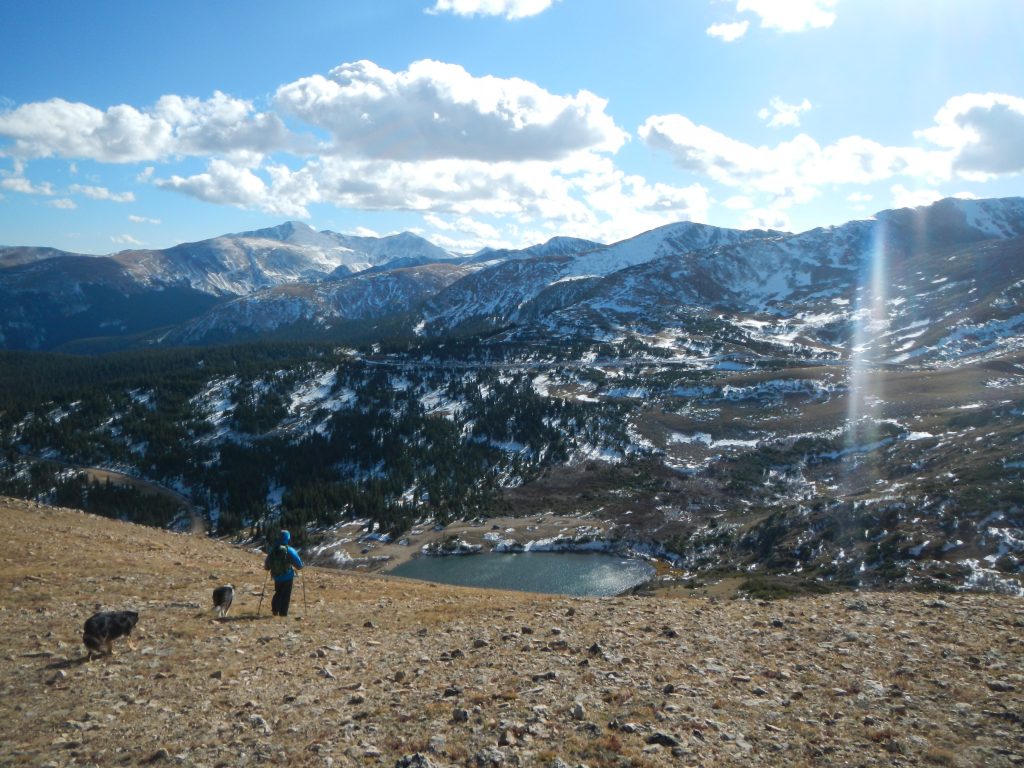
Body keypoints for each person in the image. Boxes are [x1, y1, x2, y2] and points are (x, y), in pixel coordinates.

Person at [263, 529, 303, 617]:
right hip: (288, 576)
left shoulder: (272, 549)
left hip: (276, 576)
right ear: (287, 538)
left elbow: (266, 566)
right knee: (286, 595)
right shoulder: (289, 550)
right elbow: (299, 566)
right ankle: (283, 614)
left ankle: (275, 610)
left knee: (278, 592)